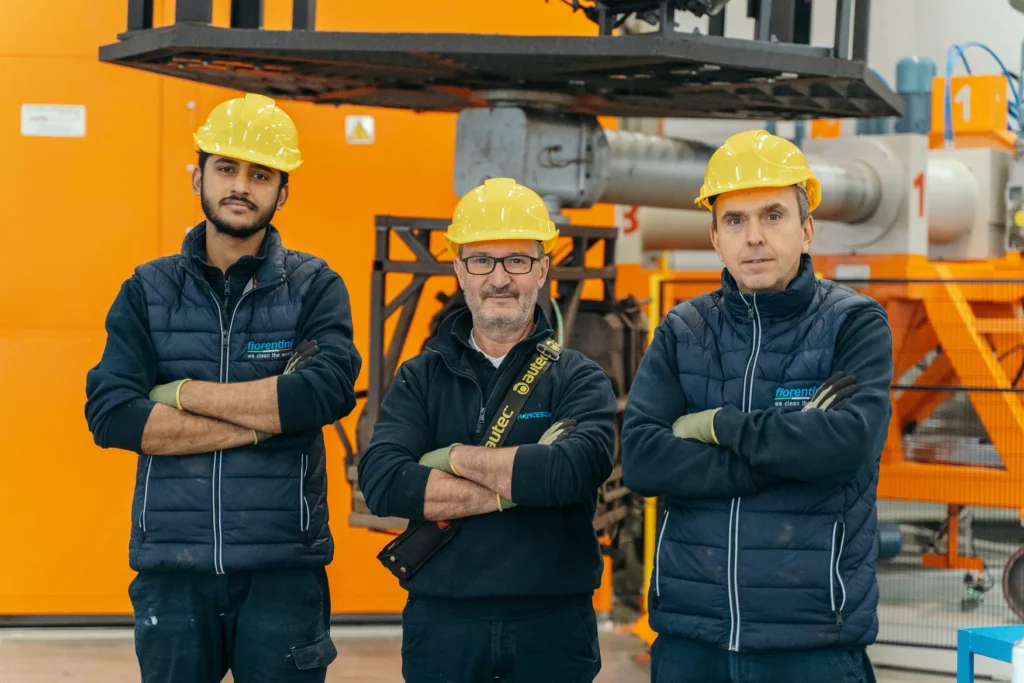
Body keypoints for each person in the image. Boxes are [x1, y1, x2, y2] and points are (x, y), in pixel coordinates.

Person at [84, 93, 362, 683]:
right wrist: (269, 416)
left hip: (283, 568)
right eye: (227, 168)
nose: (241, 186)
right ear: (198, 177)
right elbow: (113, 417)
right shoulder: (147, 290)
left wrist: (178, 393)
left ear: (282, 192)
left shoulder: (314, 286)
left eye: (261, 175)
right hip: (172, 568)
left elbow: (325, 394)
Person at [621, 129, 893, 683]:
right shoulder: (682, 330)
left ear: (807, 229)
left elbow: (848, 446)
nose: (754, 238)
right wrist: (793, 450)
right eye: (735, 220)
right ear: (715, 237)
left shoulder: (853, 323)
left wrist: (720, 425)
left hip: (812, 640)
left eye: (773, 216)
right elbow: (644, 461)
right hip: (691, 639)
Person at [357, 177, 617, 683]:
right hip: (443, 627)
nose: (500, 278)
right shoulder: (421, 376)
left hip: (553, 627)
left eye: (517, 260)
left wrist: (449, 458)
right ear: (459, 270)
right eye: (481, 260)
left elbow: (570, 472)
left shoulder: (579, 376)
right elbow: (385, 482)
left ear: (542, 269)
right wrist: (526, 478)